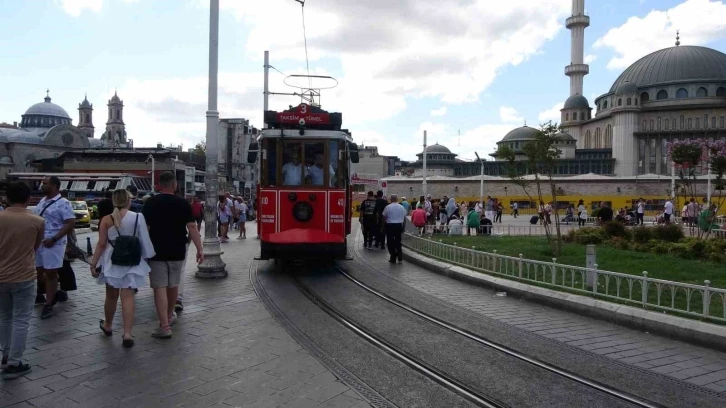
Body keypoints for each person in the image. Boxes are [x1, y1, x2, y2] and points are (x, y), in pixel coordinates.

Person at [142, 172, 204, 339]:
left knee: (159, 288)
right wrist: (200, 249)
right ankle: (169, 316)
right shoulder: (183, 203)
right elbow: (192, 227)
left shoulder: (150, 203)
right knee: (173, 285)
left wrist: (142, 250)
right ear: (175, 185)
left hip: (156, 251)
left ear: (159, 185)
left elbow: (144, 229)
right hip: (178, 250)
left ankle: (164, 325)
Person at [90, 189, 155, 348]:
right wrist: (147, 258)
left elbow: (101, 244)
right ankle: (127, 334)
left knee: (111, 296)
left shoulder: (106, 219)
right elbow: (144, 241)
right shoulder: (138, 217)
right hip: (132, 262)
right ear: (128, 200)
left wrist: (94, 263)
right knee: (128, 297)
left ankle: (108, 325)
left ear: (114, 201)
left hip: (112, 262)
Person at [0, 182, 44, 379]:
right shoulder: (37, 221)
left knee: (4, 316)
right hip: (24, 275)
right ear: (28, 199)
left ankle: (5, 354)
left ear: (6, 198)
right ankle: (14, 363)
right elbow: (34, 248)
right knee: (21, 319)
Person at [33, 176, 76, 319]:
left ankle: (48, 304)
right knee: (39, 272)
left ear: (55, 186)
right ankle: (55, 293)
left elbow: (69, 223)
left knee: (51, 272)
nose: (42, 185)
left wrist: (54, 238)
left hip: (54, 243)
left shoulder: (63, 203)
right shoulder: (42, 201)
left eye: (45, 183)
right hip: (40, 242)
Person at [382, 195, 406, 263]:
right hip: (399, 226)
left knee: (390, 242)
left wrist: (382, 227)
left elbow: (383, 218)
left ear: (390, 199)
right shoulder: (401, 207)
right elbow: (404, 219)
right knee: (398, 241)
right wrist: (403, 227)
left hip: (390, 226)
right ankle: (400, 256)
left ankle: (393, 257)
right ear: (397, 199)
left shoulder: (388, 207)